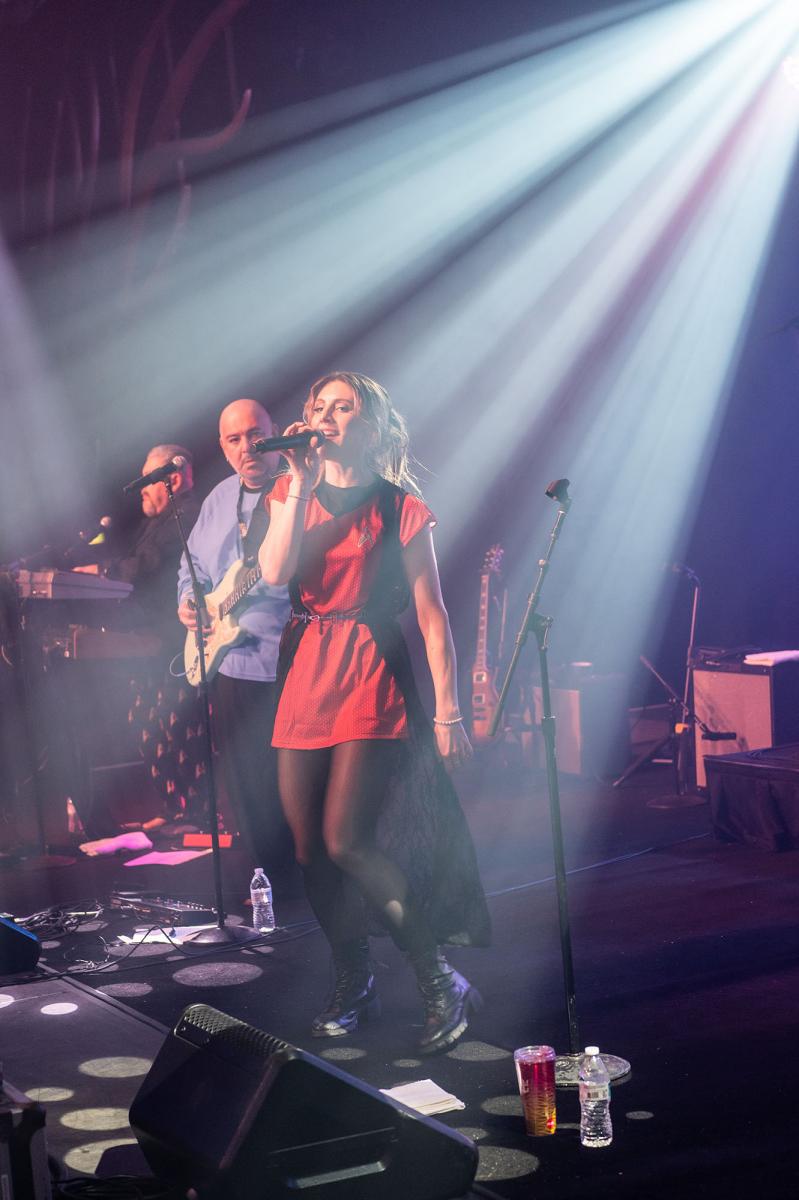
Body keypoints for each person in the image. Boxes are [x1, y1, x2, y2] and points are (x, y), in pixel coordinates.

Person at [259, 371, 490, 1055]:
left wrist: (449, 714)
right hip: (306, 672)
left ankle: (438, 978)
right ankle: (354, 981)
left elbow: (432, 614)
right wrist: (298, 483)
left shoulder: (398, 507)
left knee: (346, 840)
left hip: (367, 670)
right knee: (308, 850)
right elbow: (274, 573)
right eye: (318, 407)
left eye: (343, 408)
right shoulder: (290, 491)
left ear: (371, 426)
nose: (326, 417)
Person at [177, 398, 291, 873]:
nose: (248, 447)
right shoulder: (219, 498)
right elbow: (192, 566)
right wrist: (189, 600)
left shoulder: (298, 489)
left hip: (288, 658)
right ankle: (269, 880)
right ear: (223, 448)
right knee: (246, 783)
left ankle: (309, 887)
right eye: (235, 439)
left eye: (256, 434)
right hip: (230, 662)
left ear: (275, 432)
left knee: (292, 783)